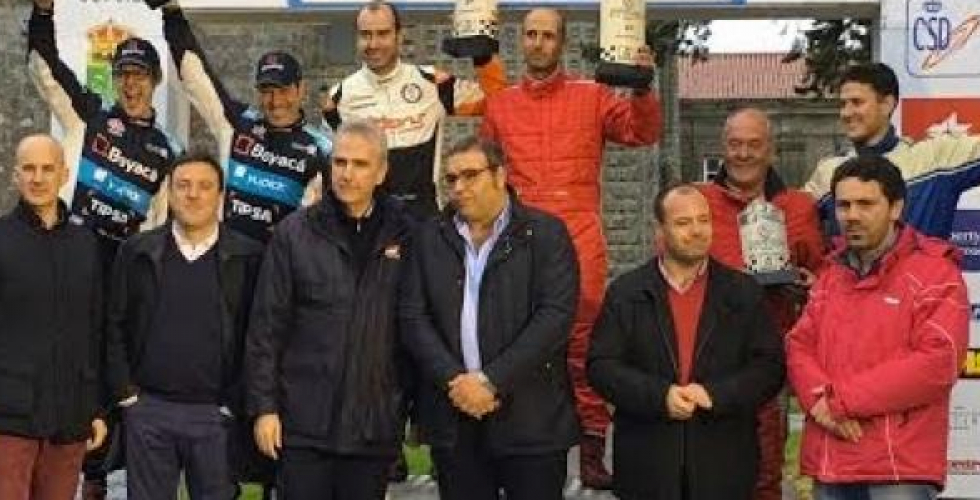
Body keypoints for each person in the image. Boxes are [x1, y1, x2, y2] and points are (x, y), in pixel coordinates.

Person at [479, 7, 663, 489]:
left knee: (585, 343)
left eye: (548, 35)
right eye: (531, 34)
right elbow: (484, 174)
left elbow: (641, 131)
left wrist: (642, 86)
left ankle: (593, 446)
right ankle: (512, 443)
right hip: (518, 238)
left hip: (579, 233)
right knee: (514, 339)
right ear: (521, 41)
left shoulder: (593, 95)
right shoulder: (500, 105)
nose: (539, 43)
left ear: (561, 43)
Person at [28, 2, 186, 494]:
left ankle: (98, 475)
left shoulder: (169, 150)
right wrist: (42, 13)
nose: (131, 85)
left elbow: (166, 223)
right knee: (61, 358)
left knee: (114, 368)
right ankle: (49, 456)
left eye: (140, 76)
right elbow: (44, 68)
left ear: (155, 81)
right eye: (123, 75)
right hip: (74, 257)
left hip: (125, 268)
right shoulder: (91, 116)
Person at [399, 137, 580, 500]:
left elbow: (555, 317)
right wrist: (456, 382)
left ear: (500, 175)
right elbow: (413, 316)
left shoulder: (545, 234)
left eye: (470, 175)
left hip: (530, 419)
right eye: (451, 179)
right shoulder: (429, 237)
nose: (459, 187)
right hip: (454, 415)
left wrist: (491, 381)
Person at [243, 121, 415, 500]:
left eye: (360, 164)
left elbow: (414, 330)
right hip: (303, 425)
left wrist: (406, 408)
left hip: (372, 426)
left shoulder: (407, 234)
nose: (347, 173)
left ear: (381, 172)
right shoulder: (294, 234)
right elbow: (266, 329)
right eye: (340, 162)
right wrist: (264, 409)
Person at [787, 155, 971, 500]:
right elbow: (799, 346)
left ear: (895, 208)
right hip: (832, 459)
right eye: (843, 205)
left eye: (865, 204)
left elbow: (939, 362)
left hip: (898, 470)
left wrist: (840, 402)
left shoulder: (936, 274)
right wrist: (821, 403)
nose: (852, 215)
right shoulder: (831, 276)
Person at [587, 183, 784, 500]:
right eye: (683, 223)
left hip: (724, 463)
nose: (697, 231)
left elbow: (770, 368)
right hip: (647, 464)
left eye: (703, 220)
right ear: (659, 231)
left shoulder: (743, 293)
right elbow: (601, 367)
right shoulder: (626, 293)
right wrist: (659, 396)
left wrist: (714, 395)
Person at [0, 134, 108, 500]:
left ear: (64, 174)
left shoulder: (85, 246)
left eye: (47, 169)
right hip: (4, 417)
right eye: (29, 169)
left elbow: (93, 333)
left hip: (68, 419)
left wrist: (96, 408)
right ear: (15, 175)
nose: (38, 178)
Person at [103, 152, 265, 500]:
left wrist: (234, 402)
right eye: (183, 185)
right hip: (149, 412)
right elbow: (114, 325)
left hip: (215, 417)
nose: (193, 194)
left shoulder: (249, 257)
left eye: (204, 186)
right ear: (170, 192)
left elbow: (259, 337)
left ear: (221, 195)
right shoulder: (137, 251)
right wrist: (127, 395)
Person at [698, 107, 825, 500]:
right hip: (706, 353)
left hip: (769, 354)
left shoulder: (798, 206)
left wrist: (807, 284)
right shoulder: (698, 202)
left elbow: (820, 274)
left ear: (771, 150)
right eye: (735, 144)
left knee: (766, 465)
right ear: (722, 148)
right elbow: (671, 266)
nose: (743, 154)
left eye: (754, 145)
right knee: (705, 465)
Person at [803, 62, 980, 238]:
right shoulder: (827, 173)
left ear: (887, 104)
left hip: (920, 300)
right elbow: (793, 230)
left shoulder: (934, 159)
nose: (846, 113)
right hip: (852, 302)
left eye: (857, 102)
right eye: (843, 104)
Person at [161, 3, 331, 243]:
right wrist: (172, 15)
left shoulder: (321, 148)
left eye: (283, 90)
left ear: (301, 90)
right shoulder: (239, 124)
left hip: (279, 260)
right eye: (267, 91)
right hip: (228, 257)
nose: (275, 101)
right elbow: (198, 79)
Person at [324, 0, 507, 219]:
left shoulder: (432, 82)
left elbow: (497, 102)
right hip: (365, 224)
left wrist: (483, 53)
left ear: (399, 36)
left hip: (423, 221)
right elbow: (330, 171)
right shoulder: (338, 97)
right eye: (366, 35)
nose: (373, 44)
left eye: (383, 34)